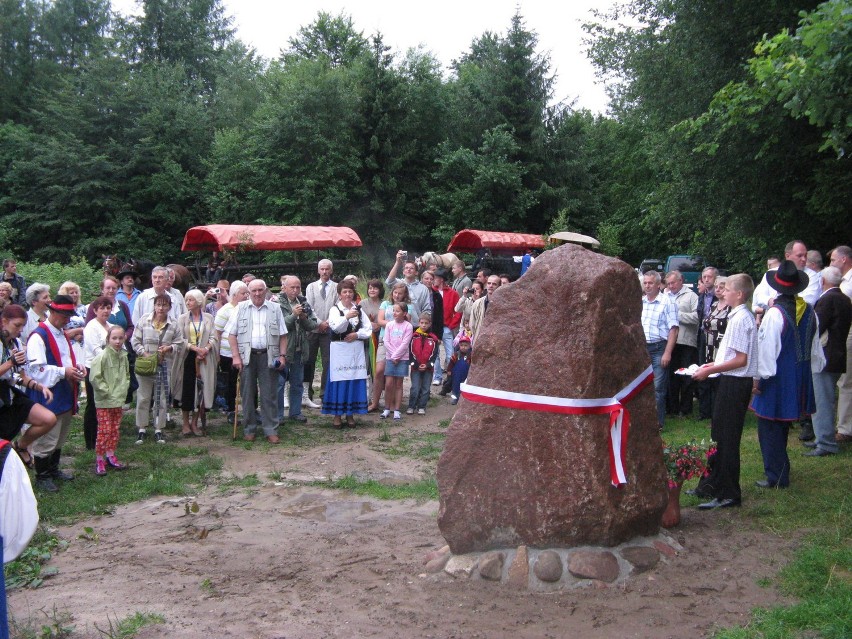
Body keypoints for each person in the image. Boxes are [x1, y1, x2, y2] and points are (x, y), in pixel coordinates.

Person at [750, 260, 824, 489]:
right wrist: (811, 370)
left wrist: (758, 379)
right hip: (800, 373)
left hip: (777, 376)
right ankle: (781, 469)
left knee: (769, 427)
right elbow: (816, 349)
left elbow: (767, 351)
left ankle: (777, 475)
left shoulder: (774, 314)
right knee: (779, 425)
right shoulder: (811, 311)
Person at [692, 274, 758, 510]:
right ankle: (712, 484)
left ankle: (729, 492)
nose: (723, 292)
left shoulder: (741, 318)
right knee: (718, 435)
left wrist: (711, 371)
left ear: (739, 294)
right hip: (729, 379)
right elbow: (731, 355)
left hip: (735, 382)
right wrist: (710, 366)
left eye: (727, 289)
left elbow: (741, 360)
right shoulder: (737, 315)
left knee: (727, 439)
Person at [26, 295, 85, 492]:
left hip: (64, 390)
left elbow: (66, 358)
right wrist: (63, 372)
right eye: (65, 315)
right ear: (53, 312)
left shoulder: (60, 333)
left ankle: (53, 469)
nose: (68, 319)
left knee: (60, 433)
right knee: (48, 435)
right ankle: (42, 475)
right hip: (48, 393)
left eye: (69, 315)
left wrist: (77, 367)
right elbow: (37, 370)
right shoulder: (39, 336)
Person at [225, 279, 288, 443]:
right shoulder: (240, 308)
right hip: (247, 357)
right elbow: (231, 335)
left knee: (269, 395)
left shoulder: (275, 309)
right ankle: (249, 429)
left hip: (269, 356)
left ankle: (270, 429)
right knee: (247, 395)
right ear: (248, 292)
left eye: (260, 290)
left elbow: (283, 335)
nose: (257, 293)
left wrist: (282, 356)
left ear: (265, 290)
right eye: (253, 291)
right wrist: (236, 356)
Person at [0, 305, 57, 470]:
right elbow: (9, 367)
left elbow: (18, 376)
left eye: (22, 326)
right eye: (16, 325)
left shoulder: (16, 343)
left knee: (48, 418)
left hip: (8, 393)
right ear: (4, 321)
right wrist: (11, 362)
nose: (20, 330)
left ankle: (20, 446)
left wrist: (39, 387)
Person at [804, 266, 851, 457]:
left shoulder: (828, 299)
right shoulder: (844, 299)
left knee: (822, 400)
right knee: (826, 397)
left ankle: (825, 442)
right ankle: (822, 436)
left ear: (823, 281)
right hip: (837, 353)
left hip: (825, 355)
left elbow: (817, 326)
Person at [131, 293, 184, 445]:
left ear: (169, 307)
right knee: (143, 397)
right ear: (154, 306)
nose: (161, 308)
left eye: (164, 305)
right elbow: (135, 340)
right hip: (145, 365)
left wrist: (169, 348)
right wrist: (144, 353)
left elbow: (180, 344)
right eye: (158, 305)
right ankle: (141, 428)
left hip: (163, 365)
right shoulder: (144, 320)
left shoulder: (173, 324)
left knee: (161, 398)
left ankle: (158, 428)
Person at [322, 280, 371, 428]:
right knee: (340, 380)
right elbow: (336, 327)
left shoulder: (359, 310)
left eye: (350, 291)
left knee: (353, 379)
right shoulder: (335, 310)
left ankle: (350, 414)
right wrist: (347, 317)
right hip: (340, 350)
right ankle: (337, 415)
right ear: (339, 294)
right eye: (345, 292)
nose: (348, 294)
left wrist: (357, 335)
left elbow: (368, 329)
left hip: (355, 351)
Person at [171, 290, 218, 437]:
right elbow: (179, 338)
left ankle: (195, 422)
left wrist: (206, 349)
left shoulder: (209, 318)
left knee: (201, 390)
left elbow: (214, 337)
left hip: (204, 358)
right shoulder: (182, 318)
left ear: (198, 301)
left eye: (190, 300)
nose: (188, 303)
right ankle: (185, 423)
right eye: (186, 300)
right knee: (187, 390)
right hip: (187, 358)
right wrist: (194, 348)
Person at [85, 276, 135, 407]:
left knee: (112, 395)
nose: (111, 290)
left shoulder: (121, 306)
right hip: (99, 363)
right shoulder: (94, 313)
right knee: (95, 401)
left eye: (114, 288)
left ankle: (111, 424)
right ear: (102, 289)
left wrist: (123, 337)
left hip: (118, 353)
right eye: (108, 287)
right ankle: (96, 427)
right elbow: (93, 342)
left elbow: (130, 326)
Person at [89, 326, 130, 475]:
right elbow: (95, 377)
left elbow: (126, 375)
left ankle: (110, 454)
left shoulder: (123, 356)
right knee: (104, 430)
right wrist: (106, 391)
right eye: (114, 338)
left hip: (118, 400)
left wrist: (123, 390)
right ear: (108, 340)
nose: (117, 341)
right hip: (105, 401)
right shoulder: (102, 356)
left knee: (114, 429)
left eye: (120, 338)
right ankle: (99, 458)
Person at [640, 270, 679, 431]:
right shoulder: (641, 302)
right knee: (641, 386)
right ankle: (643, 419)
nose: (647, 286)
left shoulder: (667, 302)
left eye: (650, 283)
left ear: (658, 285)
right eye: (645, 283)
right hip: (642, 348)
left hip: (659, 348)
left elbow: (674, 329)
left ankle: (657, 423)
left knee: (658, 387)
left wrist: (667, 352)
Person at [279, 276, 318, 424]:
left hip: (300, 349)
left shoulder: (304, 302)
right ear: (284, 287)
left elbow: (313, 325)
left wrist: (302, 317)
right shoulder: (277, 303)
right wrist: (293, 315)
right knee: (280, 383)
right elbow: (279, 325)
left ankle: (295, 412)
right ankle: (278, 415)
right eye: (292, 287)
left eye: (298, 287)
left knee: (297, 382)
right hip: (283, 349)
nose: (295, 290)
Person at [371, 283, 413, 413]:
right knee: (379, 371)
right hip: (385, 341)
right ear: (392, 292)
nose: (397, 295)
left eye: (400, 293)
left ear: (404, 294)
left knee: (395, 375)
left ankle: (393, 403)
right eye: (395, 292)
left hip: (400, 345)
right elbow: (380, 320)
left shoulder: (408, 307)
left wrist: (393, 323)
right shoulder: (385, 304)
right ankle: (375, 401)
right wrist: (394, 324)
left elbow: (408, 321)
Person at [304, 259, 338, 408]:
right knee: (309, 361)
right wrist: (319, 323)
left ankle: (325, 394)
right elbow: (309, 307)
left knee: (328, 362)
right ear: (318, 271)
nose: (324, 272)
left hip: (330, 330)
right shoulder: (310, 287)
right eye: (322, 269)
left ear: (331, 270)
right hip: (312, 329)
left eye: (327, 269)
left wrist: (328, 323)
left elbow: (337, 306)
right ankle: (307, 394)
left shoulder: (337, 287)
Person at [665, 270, 699, 417]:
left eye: (673, 282)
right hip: (669, 342)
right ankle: (672, 408)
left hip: (686, 341)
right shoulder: (664, 296)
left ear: (680, 281)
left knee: (686, 376)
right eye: (668, 283)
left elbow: (698, 317)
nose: (670, 286)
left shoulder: (691, 296)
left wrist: (677, 315)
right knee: (672, 377)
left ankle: (685, 409)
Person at [81, 296, 113, 449]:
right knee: (93, 404)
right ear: (95, 310)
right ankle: (91, 441)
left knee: (106, 404)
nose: (106, 311)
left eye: (108, 308)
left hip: (110, 369)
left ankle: (105, 437)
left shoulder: (111, 326)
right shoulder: (91, 327)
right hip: (94, 369)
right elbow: (96, 350)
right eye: (102, 308)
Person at [697, 276, 730, 420]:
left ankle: (719, 413)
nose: (717, 289)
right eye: (716, 286)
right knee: (706, 377)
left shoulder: (731, 307)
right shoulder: (713, 305)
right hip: (708, 345)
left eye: (721, 287)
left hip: (721, 346)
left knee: (719, 381)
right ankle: (705, 412)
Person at [829, 246, 852, 444]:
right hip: (841, 332)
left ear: (844, 259)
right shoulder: (843, 281)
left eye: (834, 260)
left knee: (846, 381)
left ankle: (845, 428)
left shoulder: (850, 281)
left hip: (849, 331)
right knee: (843, 380)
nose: (832, 264)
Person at [214, 281, 248, 418]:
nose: (246, 295)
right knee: (230, 381)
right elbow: (217, 333)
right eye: (243, 293)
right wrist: (217, 354)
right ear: (234, 295)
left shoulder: (246, 308)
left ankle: (248, 407)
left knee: (244, 380)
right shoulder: (225, 310)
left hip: (244, 352)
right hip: (227, 353)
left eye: (247, 293)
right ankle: (229, 408)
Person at [381, 302, 413, 421]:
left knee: (399, 384)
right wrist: (393, 356)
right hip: (391, 358)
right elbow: (386, 341)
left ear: (404, 313)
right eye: (394, 310)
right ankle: (386, 408)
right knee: (388, 384)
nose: (394, 313)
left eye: (397, 311)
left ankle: (397, 409)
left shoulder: (408, 326)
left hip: (402, 358)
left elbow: (405, 343)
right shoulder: (389, 325)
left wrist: (397, 356)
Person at [430, 269, 460, 387]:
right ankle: (437, 376)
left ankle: (450, 376)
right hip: (434, 327)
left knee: (450, 354)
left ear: (441, 279)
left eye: (435, 278)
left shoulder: (453, 293)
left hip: (446, 327)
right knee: (435, 353)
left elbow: (458, 311)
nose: (433, 280)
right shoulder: (431, 292)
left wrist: (452, 324)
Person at [407, 313, 440, 416]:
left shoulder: (433, 339)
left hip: (428, 368)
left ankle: (422, 406)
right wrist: (415, 364)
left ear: (430, 324)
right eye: (422, 323)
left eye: (426, 323)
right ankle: (411, 406)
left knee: (426, 388)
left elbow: (434, 354)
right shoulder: (413, 337)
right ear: (419, 323)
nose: (424, 325)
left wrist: (428, 364)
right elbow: (410, 352)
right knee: (415, 387)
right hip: (415, 367)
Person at [385, 251, 431, 324]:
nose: (408, 269)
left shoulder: (423, 288)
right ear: (403, 272)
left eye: (411, 268)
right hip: (397, 325)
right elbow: (388, 282)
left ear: (416, 273)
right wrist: (397, 262)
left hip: (416, 326)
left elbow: (427, 310)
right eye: (406, 268)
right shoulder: (399, 283)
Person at [419, 271, 444, 386]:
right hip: (419, 327)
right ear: (422, 279)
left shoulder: (436, 295)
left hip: (433, 327)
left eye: (431, 279)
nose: (429, 281)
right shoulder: (417, 292)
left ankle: (436, 376)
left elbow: (440, 316)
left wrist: (439, 335)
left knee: (435, 353)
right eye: (426, 278)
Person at [469, 274, 502, 343]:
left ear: (499, 286)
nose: (491, 286)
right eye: (489, 283)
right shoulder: (477, 303)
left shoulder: (503, 304)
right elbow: (472, 324)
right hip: (479, 340)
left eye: (494, 284)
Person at [446, 335, 473, 405]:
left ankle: (465, 399)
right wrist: (449, 371)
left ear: (469, 346)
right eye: (461, 345)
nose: (463, 347)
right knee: (455, 387)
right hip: (456, 375)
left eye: (465, 345)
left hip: (467, 375)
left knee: (466, 387)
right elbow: (451, 363)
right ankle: (455, 398)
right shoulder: (456, 355)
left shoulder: (471, 356)